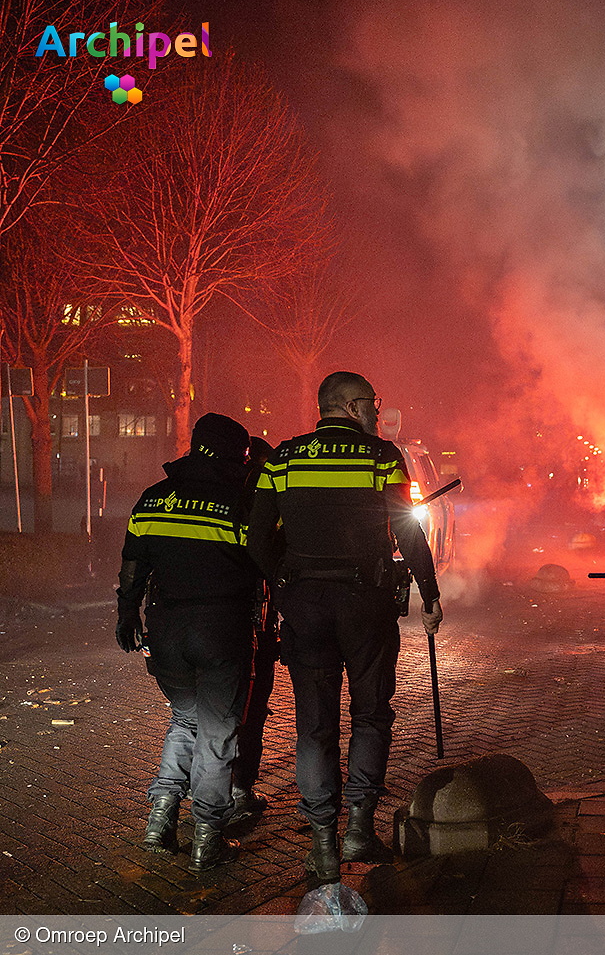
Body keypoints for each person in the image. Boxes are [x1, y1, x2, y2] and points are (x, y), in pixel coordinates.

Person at [247, 371, 443, 882]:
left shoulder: (283, 459)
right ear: (350, 406)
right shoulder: (381, 457)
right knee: (372, 714)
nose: (378, 411)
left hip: (305, 603)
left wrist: (285, 585)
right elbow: (407, 527)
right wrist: (430, 593)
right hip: (366, 602)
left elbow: (256, 536)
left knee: (314, 723)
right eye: (372, 403)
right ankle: (359, 825)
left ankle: (322, 843)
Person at [115, 413, 257, 873]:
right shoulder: (240, 501)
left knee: (185, 718)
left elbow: (133, 565)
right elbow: (267, 565)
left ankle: (159, 819)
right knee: (216, 734)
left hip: (166, 634)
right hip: (220, 631)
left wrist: (125, 615)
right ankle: (206, 838)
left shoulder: (155, 497)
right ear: (235, 454)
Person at [231, 437, 278, 816]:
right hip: (254, 627)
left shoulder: (219, 500)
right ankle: (239, 791)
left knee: (207, 717)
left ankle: (205, 792)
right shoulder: (265, 506)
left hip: (217, 623)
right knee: (252, 711)